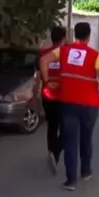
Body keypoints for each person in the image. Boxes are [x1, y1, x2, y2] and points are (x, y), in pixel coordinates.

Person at [40, 22, 99, 191]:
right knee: (86, 138)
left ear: (74, 35)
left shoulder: (63, 51)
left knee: (70, 140)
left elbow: (44, 60)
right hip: (89, 106)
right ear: (89, 36)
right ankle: (86, 171)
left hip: (68, 103)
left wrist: (47, 81)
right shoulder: (95, 56)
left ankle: (71, 181)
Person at [35, 26, 67, 173]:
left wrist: (37, 94)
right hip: (63, 96)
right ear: (63, 38)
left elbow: (37, 77)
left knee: (52, 126)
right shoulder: (66, 54)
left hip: (47, 95)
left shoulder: (42, 53)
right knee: (67, 127)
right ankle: (55, 152)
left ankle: (51, 152)